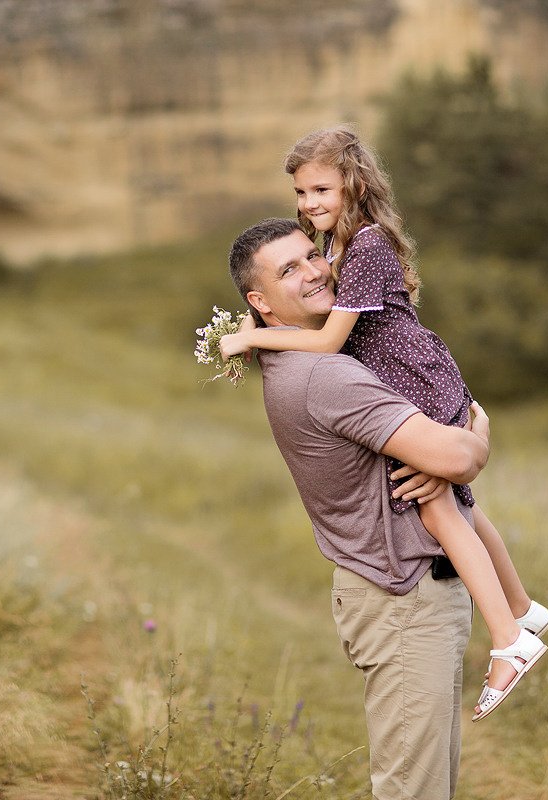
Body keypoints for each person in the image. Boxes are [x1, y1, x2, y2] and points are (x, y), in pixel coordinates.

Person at [221, 126, 548, 721]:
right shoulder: (347, 248)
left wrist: (250, 336)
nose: (308, 203)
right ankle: (523, 610)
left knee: (439, 507)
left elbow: (325, 342)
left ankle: (510, 640)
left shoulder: (366, 247)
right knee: (460, 505)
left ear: (354, 183)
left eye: (320, 188)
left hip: (417, 374)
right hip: (415, 373)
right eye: (300, 193)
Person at [228, 217, 492, 799]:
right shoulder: (326, 375)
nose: (315, 272)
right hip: (401, 600)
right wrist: (481, 431)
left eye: (311, 256)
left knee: (428, 786)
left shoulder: (303, 360)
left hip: (402, 593)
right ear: (259, 302)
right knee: (413, 791)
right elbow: (457, 457)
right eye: (287, 270)